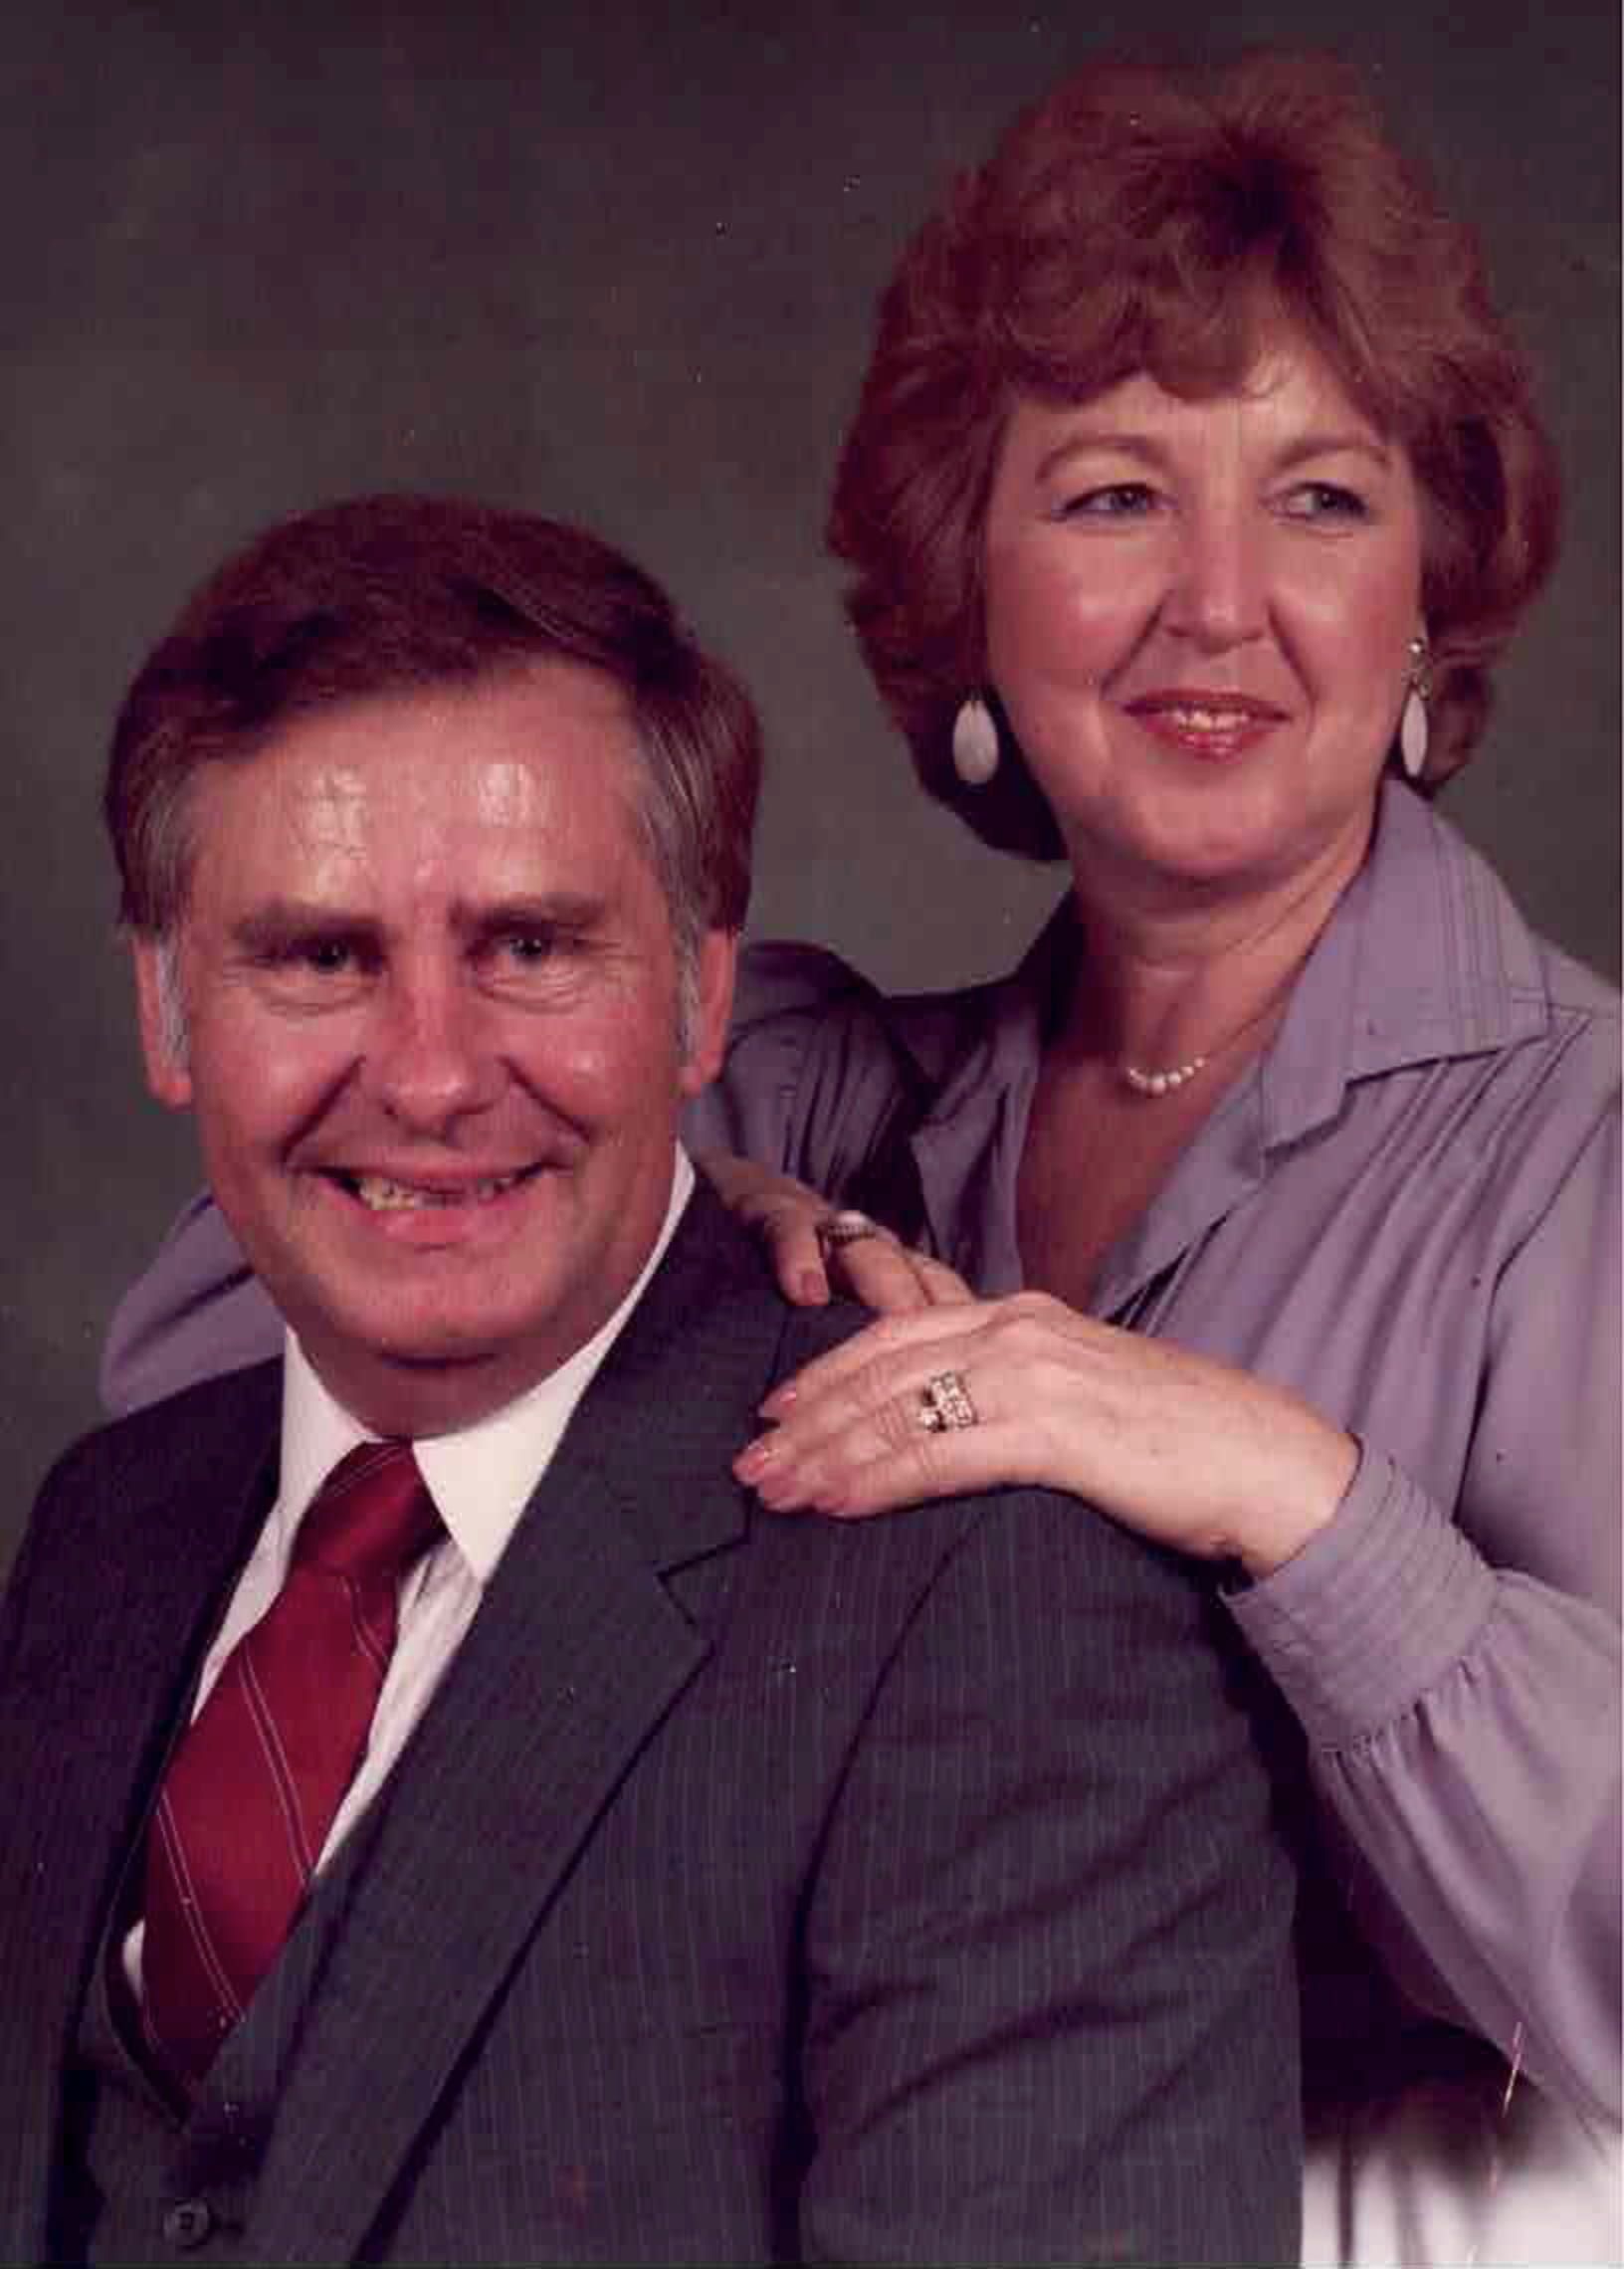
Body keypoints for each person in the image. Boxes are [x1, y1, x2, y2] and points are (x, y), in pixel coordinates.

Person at [99, 51, 1621, 2269]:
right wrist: (701, 1220)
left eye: (1321, 499)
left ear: (1428, 602)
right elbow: (209, 1402)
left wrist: (1287, 1490)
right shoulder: (805, 1086)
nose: (1219, 601)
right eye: (1112, 497)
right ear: (970, 585)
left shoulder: (1579, 1149)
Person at [0, 494, 1302, 2266]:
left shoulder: (1008, 1615)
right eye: (319, 957)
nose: (436, 1078)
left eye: (532, 947)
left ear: (701, 999)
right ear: (165, 1011)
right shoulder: (106, 1532)